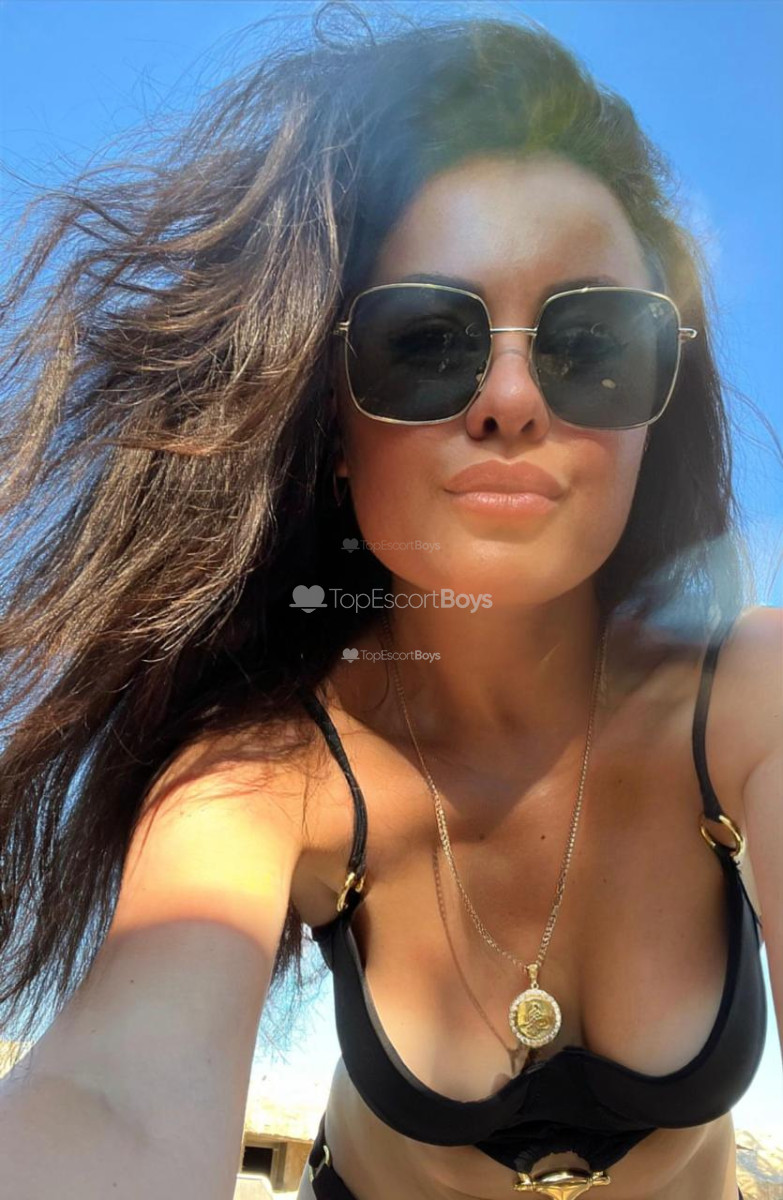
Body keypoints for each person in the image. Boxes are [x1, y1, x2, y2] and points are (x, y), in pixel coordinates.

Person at [0, 4, 780, 1199]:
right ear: (333, 422)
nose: (511, 398)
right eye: (424, 341)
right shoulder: (267, 772)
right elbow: (112, 1098)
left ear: (658, 401)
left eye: (592, 342)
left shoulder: (749, 696)